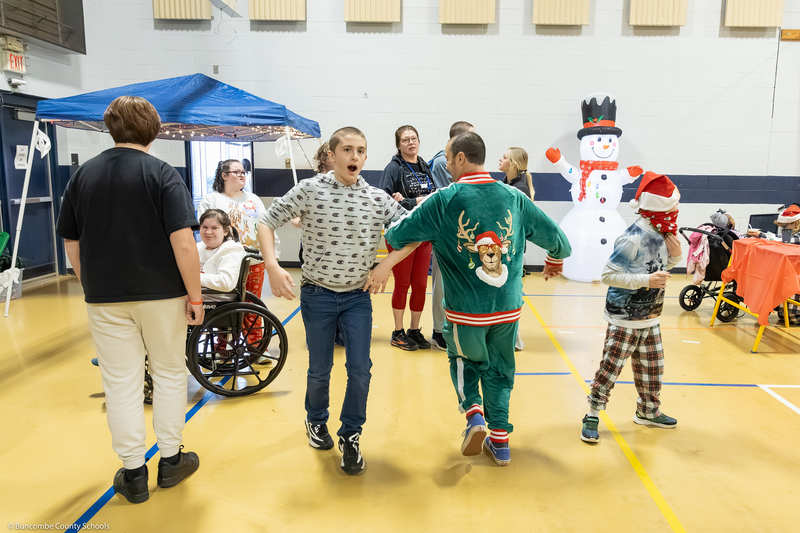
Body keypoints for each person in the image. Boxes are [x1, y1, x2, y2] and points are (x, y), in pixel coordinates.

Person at [379, 132, 571, 466]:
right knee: (500, 371)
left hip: (466, 312)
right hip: (507, 310)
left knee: (464, 362)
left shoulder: (444, 199)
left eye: (450, 160)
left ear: (461, 159)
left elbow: (397, 232)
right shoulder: (514, 196)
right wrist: (555, 256)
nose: (448, 167)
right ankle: (500, 442)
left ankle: (474, 415)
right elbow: (558, 239)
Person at [56, 95, 201, 504]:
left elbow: (72, 241)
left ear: (110, 127)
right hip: (162, 296)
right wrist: (195, 296)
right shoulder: (162, 174)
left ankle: (133, 473)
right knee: (170, 373)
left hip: (104, 298)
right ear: (154, 130)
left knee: (121, 382)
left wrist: (91, 285)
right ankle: (171, 460)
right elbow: (183, 244)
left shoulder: (83, 175)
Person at [258, 127, 410, 475]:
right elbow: (266, 221)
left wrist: (385, 264)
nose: (354, 157)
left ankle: (351, 435)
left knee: (360, 371)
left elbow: (414, 232)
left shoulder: (376, 198)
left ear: (366, 157)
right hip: (317, 296)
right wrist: (272, 265)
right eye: (347, 150)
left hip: (357, 298)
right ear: (332, 154)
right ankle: (316, 419)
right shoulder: (310, 190)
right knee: (319, 370)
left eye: (361, 151)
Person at [580, 172, 682, 444]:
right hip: (624, 318)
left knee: (653, 368)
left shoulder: (663, 234)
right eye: (671, 208)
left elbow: (659, 271)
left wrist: (675, 258)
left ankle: (648, 411)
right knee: (610, 369)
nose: (675, 213)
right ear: (657, 209)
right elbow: (608, 275)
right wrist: (645, 280)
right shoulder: (633, 238)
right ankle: (592, 413)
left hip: (651, 317)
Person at [199, 159, 279, 347]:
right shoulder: (212, 200)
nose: (242, 175)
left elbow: (266, 227)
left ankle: (256, 347)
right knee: (224, 307)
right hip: (224, 260)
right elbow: (208, 231)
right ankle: (222, 348)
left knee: (252, 306)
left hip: (253, 261)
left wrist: (273, 255)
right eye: (237, 172)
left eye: (244, 172)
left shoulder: (253, 199)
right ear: (224, 175)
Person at [380, 125, 437, 351]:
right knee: (403, 284)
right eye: (405, 140)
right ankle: (398, 331)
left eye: (414, 139)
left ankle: (414, 330)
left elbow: (432, 196)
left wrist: (410, 200)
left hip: (424, 234)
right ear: (398, 145)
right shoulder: (393, 168)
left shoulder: (424, 165)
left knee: (421, 285)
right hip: (402, 235)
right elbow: (384, 201)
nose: (411, 143)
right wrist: (412, 202)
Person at [427, 121, 474, 351]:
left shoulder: (465, 162)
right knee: (441, 284)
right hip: (446, 232)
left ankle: (453, 326)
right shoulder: (441, 163)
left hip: (462, 233)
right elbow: (454, 197)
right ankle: (438, 331)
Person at [499, 146, 535, 351]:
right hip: (504, 247)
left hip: (512, 250)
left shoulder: (518, 188)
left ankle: (513, 338)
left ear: (512, 163)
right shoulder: (506, 183)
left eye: (504, 157)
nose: (500, 159)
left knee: (510, 293)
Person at [197, 209, 245, 292]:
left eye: (214, 228)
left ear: (225, 231)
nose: (208, 232)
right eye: (204, 227)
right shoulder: (199, 247)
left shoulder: (231, 250)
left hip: (216, 299)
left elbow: (226, 283)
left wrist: (192, 277)